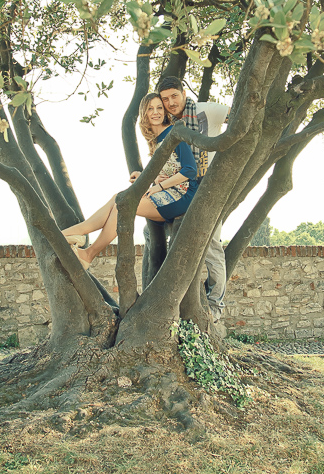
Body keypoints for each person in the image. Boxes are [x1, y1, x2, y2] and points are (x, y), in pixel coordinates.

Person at [61, 93, 198, 269]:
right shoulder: (156, 139)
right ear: (145, 113)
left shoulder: (173, 133)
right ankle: (80, 234)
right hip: (168, 192)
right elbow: (169, 169)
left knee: (123, 205)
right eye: (150, 109)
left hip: (183, 195)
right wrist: (148, 177)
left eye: (159, 108)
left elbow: (190, 170)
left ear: (165, 112)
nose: (155, 112)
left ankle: (86, 250)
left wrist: (159, 186)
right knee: (118, 198)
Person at [156, 76, 230, 320]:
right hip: (181, 190)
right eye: (165, 99)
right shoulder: (167, 126)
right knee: (157, 238)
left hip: (209, 189)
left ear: (183, 93)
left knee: (211, 247)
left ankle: (215, 305)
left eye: (174, 96)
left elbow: (240, 120)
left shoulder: (206, 111)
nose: (170, 103)